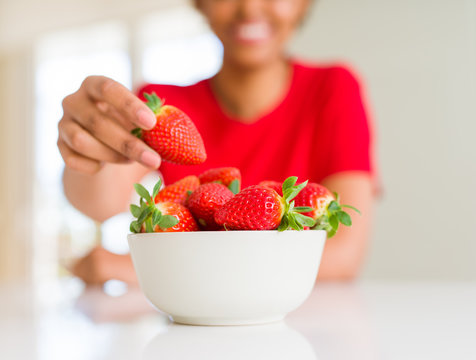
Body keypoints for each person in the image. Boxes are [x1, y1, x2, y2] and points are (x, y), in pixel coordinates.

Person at [59, 0, 377, 286]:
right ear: (200, 3)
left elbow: (343, 254)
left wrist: (145, 268)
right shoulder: (161, 110)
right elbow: (97, 203)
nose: (250, 8)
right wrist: (89, 142)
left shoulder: (334, 89)